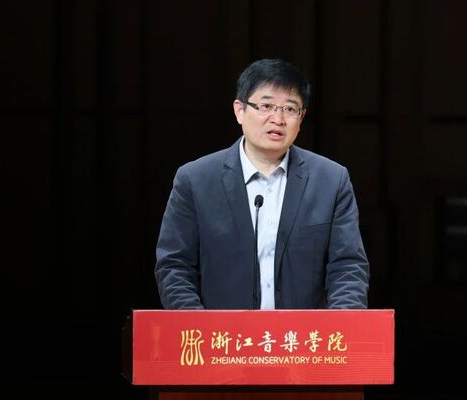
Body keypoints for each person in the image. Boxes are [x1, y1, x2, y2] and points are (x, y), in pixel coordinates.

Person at [155, 58, 369, 310]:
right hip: (223, 333)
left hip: (302, 334)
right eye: (266, 106)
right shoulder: (195, 180)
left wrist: (340, 327)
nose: (277, 119)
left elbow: (348, 267)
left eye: (290, 109)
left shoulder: (331, 180)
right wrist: (200, 327)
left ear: (301, 118)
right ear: (240, 110)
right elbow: (175, 267)